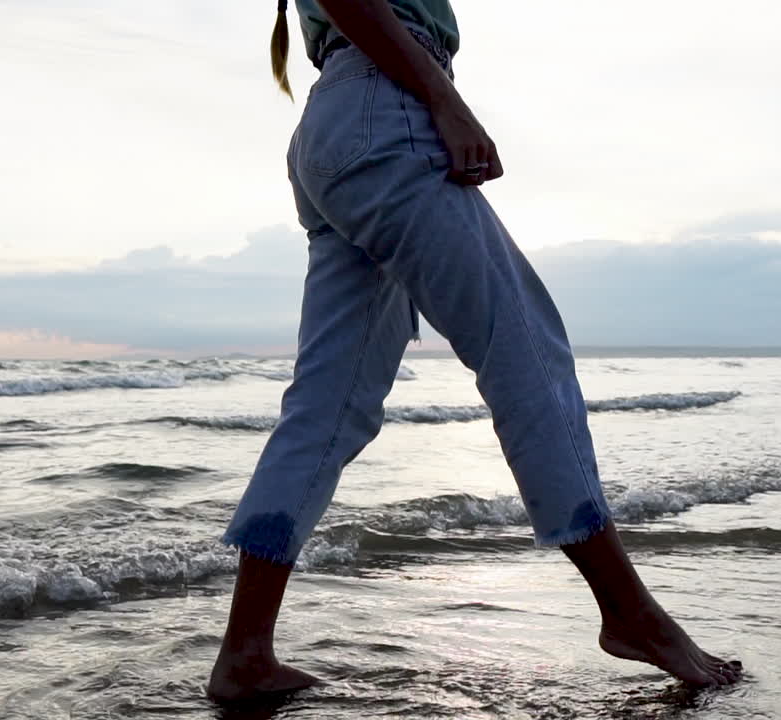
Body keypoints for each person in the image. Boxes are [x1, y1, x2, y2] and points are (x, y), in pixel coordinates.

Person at [207, 0, 742, 701]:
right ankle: (629, 611)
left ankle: (246, 653)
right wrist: (445, 101)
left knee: (326, 408)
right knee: (526, 354)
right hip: (384, 111)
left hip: (336, 127)